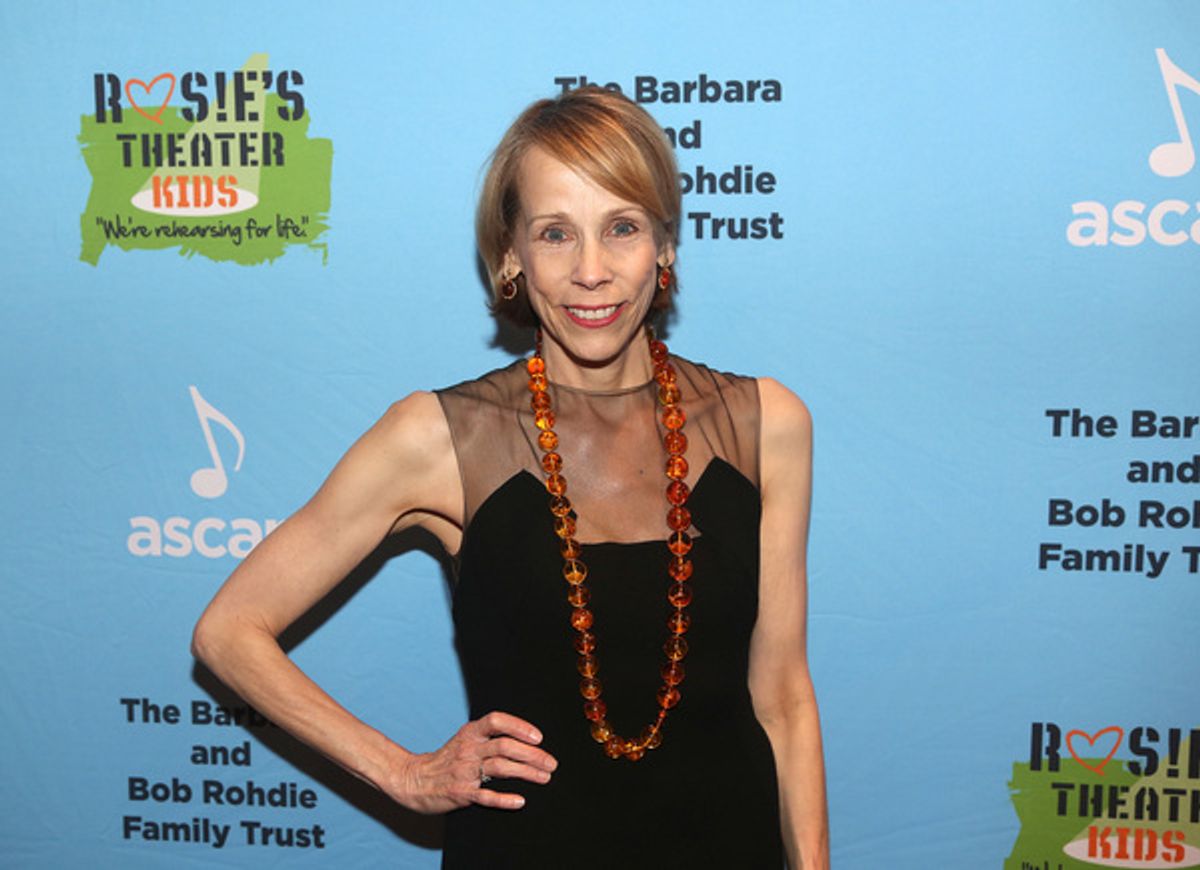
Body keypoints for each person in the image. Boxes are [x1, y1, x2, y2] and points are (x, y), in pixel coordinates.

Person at [193, 86, 829, 868]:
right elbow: (228, 632)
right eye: (555, 233)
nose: (591, 271)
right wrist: (402, 771)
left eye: (621, 228)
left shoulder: (766, 425)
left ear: (664, 246)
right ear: (510, 256)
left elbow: (785, 698)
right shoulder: (438, 438)